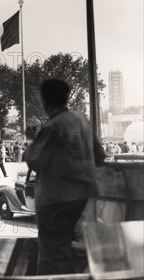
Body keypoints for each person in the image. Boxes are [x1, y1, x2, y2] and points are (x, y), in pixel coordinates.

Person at [23, 79, 106, 276]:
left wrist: (32, 141)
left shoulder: (52, 127)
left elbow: (35, 161)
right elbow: (100, 156)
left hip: (55, 200)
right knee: (71, 249)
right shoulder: (81, 121)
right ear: (66, 97)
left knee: (52, 254)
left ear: (44, 100)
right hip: (83, 198)